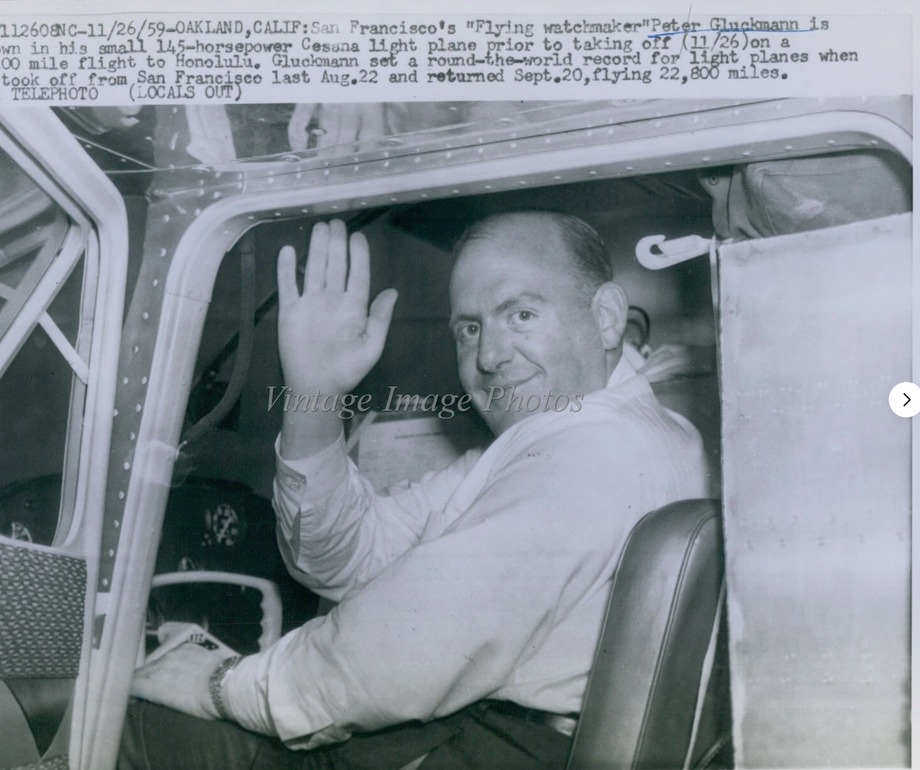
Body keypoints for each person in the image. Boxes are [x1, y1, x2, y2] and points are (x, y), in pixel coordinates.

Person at [121, 212, 711, 769]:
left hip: (482, 749)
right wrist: (314, 396)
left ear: (606, 317)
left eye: (521, 315)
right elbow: (347, 557)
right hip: (474, 740)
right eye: (470, 329)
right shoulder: (586, 439)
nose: (489, 356)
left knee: (130, 724)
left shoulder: (588, 454)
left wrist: (221, 684)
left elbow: (390, 661)